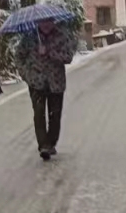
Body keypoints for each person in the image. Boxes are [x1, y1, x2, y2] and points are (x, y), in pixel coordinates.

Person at [10, 18, 77, 160]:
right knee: (39, 113)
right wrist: (25, 74)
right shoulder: (29, 38)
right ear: (37, 23)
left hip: (56, 82)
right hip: (36, 82)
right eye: (42, 22)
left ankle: (51, 143)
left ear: (53, 21)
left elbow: (68, 57)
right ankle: (43, 146)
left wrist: (49, 52)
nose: (46, 24)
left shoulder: (61, 36)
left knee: (55, 114)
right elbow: (19, 57)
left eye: (48, 21)